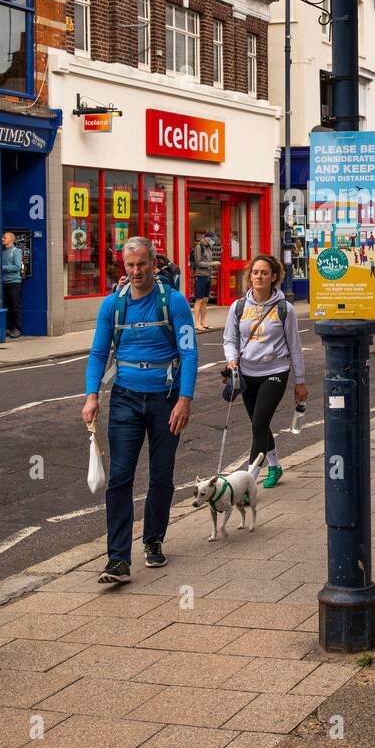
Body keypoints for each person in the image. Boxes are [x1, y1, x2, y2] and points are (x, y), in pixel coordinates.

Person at [82, 236, 197, 584]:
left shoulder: (174, 303)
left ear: (153, 263)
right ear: (124, 265)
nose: (135, 271)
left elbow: (190, 353)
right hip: (125, 399)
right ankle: (117, 560)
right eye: (130, 265)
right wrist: (91, 396)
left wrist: (184, 399)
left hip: (166, 399)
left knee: (161, 476)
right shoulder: (112, 306)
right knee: (120, 478)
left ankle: (153, 540)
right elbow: (99, 353)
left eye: (142, 264)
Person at [222, 253, 307, 489]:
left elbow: (295, 346)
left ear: (274, 277)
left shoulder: (284, 309)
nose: (259, 276)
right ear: (250, 276)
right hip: (246, 374)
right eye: (255, 272)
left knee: (259, 424)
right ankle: (275, 466)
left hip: (275, 371)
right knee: (260, 424)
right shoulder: (238, 307)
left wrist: (299, 381)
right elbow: (229, 339)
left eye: (264, 273)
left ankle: (246, 482)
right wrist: (231, 360)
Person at [190, 232, 215, 332]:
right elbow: (198, 262)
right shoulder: (199, 247)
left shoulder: (208, 247)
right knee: (199, 300)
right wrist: (212, 263)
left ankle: (203, 322)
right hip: (200, 276)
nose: (212, 241)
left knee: (205, 300)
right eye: (211, 239)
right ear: (206, 238)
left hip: (208, 276)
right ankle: (196, 323)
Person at [1, 231, 23, 338]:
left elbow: (17, 266)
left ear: (10, 239)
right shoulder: (2, 252)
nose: (2, 239)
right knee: (7, 307)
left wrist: (3, 268)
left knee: (15, 307)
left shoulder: (16, 251)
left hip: (14, 283)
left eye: (4, 237)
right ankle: (8, 329)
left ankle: (16, 329)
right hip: (4, 283)